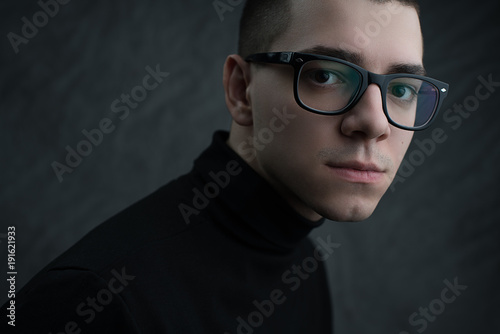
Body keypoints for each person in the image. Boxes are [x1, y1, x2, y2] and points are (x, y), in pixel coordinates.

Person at [2, 0, 449, 333]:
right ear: (241, 90)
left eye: (403, 89)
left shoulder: (304, 267)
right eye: (325, 74)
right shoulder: (93, 299)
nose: (373, 122)